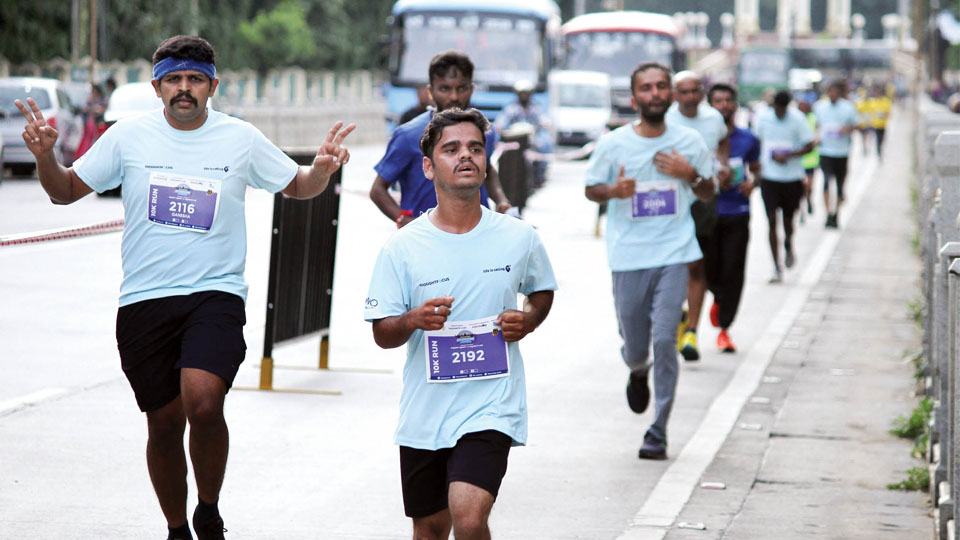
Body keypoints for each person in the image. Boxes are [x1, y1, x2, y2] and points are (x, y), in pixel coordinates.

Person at [16, 35, 354, 540]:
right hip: (144, 301)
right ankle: (177, 527)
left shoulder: (239, 138)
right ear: (156, 87)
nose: (184, 89)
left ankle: (209, 508)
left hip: (215, 295)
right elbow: (65, 191)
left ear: (212, 86)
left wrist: (321, 171)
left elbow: (297, 184)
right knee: (165, 423)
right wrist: (46, 158)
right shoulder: (127, 137)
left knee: (203, 403)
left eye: (195, 80)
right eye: (174, 79)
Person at [365, 107, 556, 540]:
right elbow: (382, 333)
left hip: (492, 407)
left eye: (475, 148)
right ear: (429, 167)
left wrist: (527, 321)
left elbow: (542, 291)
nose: (465, 156)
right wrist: (413, 319)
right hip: (425, 413)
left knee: (469, 519)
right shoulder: (403, 247)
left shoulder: (518, 236)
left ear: (486, 160)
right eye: (451, 149)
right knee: (431, 528)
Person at [584, 62, 714, 460]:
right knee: (637, 347)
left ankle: (658, 429)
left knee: (664, 340)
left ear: (671, 94)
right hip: (627, 258)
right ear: (634, 96)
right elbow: (591, 190)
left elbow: (708, 192)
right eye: (646, 88)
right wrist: (615, 190)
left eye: (662, 86)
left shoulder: (689, 142)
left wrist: (689, 173)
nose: (655, 93)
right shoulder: (614, 144)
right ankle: (638, 371)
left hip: (674, 253)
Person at [370, 50, 511, 228]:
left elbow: (488, 171)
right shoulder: (408, 135)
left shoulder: (485, 132)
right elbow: (378, 190)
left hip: (477, 233)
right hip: (425, 240)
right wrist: (405, 221)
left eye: (461, 88)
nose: (454, 97)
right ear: (431, 91)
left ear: (471, 89)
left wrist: (501, 201)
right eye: (445, 88)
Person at [665, 70, 729, 362]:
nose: (690, 97)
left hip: (703, 199)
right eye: (684, 92)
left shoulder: (714, 119)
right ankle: (674, 315)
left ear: (702, 93)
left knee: (696, 265)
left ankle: (691, 331)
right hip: (669, 202)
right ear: (675, 94)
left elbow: (723, 143)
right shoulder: (665, 120)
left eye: (695, 92)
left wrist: (723, 166)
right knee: (670, 265)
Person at [705, 83, 762, 353]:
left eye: (728, 100)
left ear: (735, 105)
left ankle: (725, 329)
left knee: (734, 271)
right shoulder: (699, 138)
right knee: (709, 270)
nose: (724, 105)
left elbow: (757, 170)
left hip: (738, 212)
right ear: (710, 105)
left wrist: (753, 184)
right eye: (718, 100)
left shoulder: (748, 139)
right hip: (707, 214)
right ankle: (717, 296)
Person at [755, 90, 815, 283]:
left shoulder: (798, 119)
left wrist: (789, 155)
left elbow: (809, 145)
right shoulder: (763, 118)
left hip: (792, 178)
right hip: (769, 178)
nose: (780, 112)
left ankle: (788, 243)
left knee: (788, 221)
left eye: (783, 109)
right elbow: (756, 143)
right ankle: (776, 266)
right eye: (777, 108)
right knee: (772, 221)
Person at [813, 79, 859, 228]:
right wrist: (816, 137)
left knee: (840, 184)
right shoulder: (820, 107)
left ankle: (836, 213)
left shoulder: (847, 107)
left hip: (841, 151)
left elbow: (856, 124)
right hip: (825, 150)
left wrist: (847, 129)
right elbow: (816, 125)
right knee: (826, 182)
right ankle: (828, 213)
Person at [495, 79, 553, 188]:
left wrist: (544, 124)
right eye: (522, 93)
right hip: (515, 138)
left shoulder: (536, 108)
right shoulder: (511, 109)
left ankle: (539, 176)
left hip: (532, 138)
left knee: (545, 144)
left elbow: (544, 120)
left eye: (526, 93)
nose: (524, 96)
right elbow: (501, 123)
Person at [796, 97, 819, 220]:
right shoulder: (795, 120)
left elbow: (817, 133)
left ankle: (809, 199)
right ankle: (801, 210)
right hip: (798, 160)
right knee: (800, 187)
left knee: (809, 186)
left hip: (810, 159)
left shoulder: (813, 118)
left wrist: (815, 141)